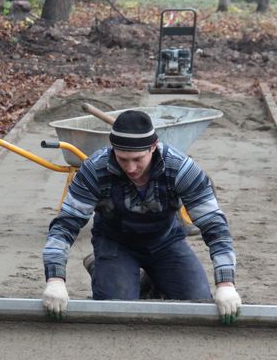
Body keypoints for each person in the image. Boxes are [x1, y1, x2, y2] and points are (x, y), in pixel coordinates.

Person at [41, 110, 240, 323]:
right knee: (115, 311)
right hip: (115, 243)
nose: (130, 168)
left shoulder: (180, 168)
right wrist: (55, 279)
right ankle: (102, 268)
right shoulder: (95, 169)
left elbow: (214, 225)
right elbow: (66, 223)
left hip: (166, 241)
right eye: (123, 159)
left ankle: (149, 281)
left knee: (197, 303)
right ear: (113, 149)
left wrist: (226, 284)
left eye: (137, 159)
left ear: (153, 147)